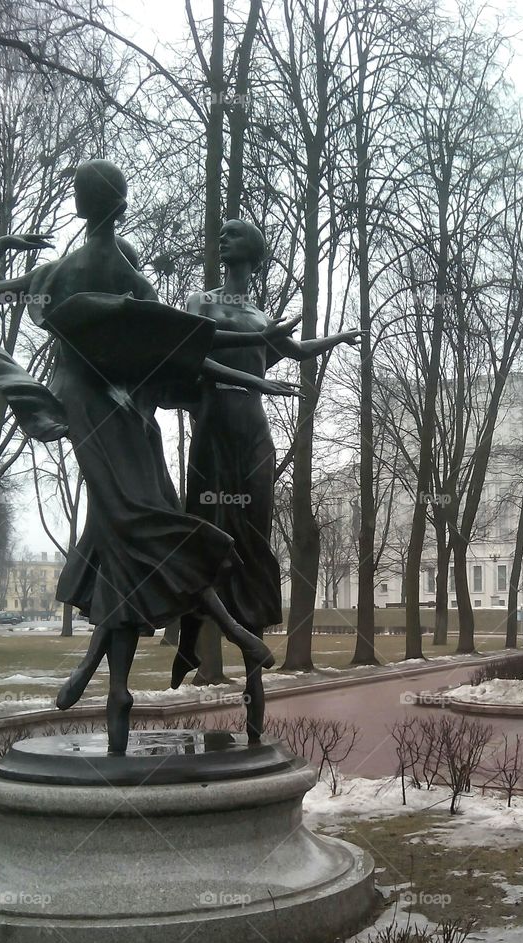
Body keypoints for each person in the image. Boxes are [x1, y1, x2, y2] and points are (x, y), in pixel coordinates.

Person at [0, 160, 300, 752]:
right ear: (120, 207)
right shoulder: (124, 277)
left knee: (126, 534)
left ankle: (107, 682)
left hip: (97, 412)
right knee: (142, 528)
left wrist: (2, 247)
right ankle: (228, 633)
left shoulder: (58, 271)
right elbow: (193, 342)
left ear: (87, 207)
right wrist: (256, 358)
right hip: (121, 414)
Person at [170, 219, 359, 742]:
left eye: (233, 235)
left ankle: (254, 678)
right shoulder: (199, 303)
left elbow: (290, 351)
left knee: (254, 543)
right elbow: (195, 353)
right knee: (208, 534)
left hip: (253, 432)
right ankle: (191, 637)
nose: (222, 240)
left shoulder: (262, 315)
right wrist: (259, 359)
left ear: (252, 252)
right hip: (213, 433)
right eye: (221, 234)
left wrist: (334, 338)